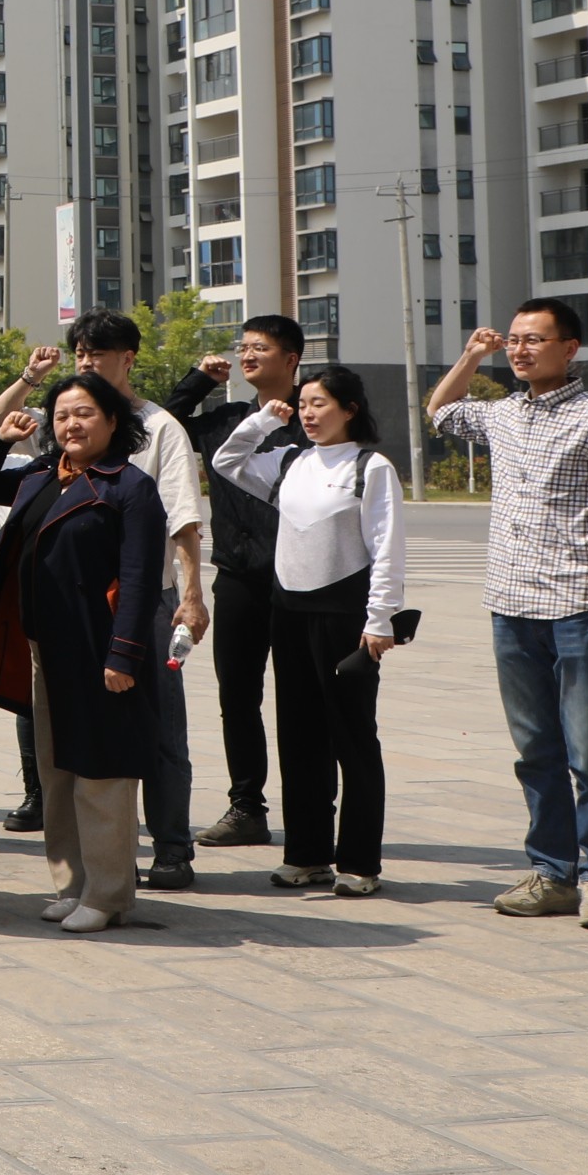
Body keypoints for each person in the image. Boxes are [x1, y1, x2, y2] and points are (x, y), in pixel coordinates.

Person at [428, 302, 588, 930]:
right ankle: (553, 873)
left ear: (570, 348)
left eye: (535, 340)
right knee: (535, 750)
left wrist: (578, 547)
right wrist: (472, 356)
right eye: (515, 341)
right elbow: (440, 411)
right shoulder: (502, 414)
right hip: (510, 603)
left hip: (578, 605)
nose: (521, 351)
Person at [0, 315, 211, 888]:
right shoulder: (55, 456)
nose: (87, 361)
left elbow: (182, 518)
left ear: (128, 357)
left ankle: (171, 847)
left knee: (154, 729)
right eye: (80, 351)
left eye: (99, 352)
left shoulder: (158, 431)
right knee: (68, 739)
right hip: (64, 621)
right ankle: (92, 862)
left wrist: (191, 595)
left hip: (139, 605)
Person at [0, 371, 168, 932]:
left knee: (101, 773)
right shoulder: (41, 476)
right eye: (61, 415)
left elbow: (140, 578)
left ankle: (107, 894)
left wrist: (124, 655)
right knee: (57, 770)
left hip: (98, 650)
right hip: (44, 648)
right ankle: (71, 882)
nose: (70, 424)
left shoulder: (128, 487)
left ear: (111, 421)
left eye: (83, 413)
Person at [213, 363, 404, 895]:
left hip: (346, 617)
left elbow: (387, 547)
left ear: (350, 409)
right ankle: (307, 854)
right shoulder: (291, 460)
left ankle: (360, 863)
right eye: (303, 405)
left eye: (320, 404)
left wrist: (381, 618)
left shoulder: (371, 466)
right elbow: (226, 461)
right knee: (298, 737)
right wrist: (259, 423)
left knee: (352, 738)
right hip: (289, 613)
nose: (308, 414)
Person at [166, 315, 306, 849]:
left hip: (302, 581)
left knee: (300, 698)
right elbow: (160, 423)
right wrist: (199, 378)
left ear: (290, 359)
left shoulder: (313, 417)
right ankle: (247, 806)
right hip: (239, 577)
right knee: (239, 695)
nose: (247, 356)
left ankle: (310, 810)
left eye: (260, 348)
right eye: (243, 347)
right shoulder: (225, 419)